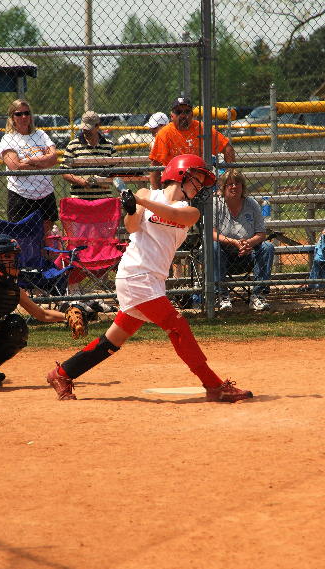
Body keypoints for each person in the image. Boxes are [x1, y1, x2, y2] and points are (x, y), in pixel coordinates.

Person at [47, 153, 253, 403]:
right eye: (197, 179)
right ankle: (214, 385)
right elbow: (132, 226)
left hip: (153, 280)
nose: (200, 186)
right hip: (136, 274)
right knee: (177, 326)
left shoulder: (190, 211)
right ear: (181, 174)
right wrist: (132, 207)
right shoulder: (147, 193)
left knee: (113, 339)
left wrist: (141, 201)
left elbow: (175, 217)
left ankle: (62, 373)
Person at [0, 234, 68, 390]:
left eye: (14, 256)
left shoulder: (13, 290)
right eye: (7, 256)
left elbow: (42, 314)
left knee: (16, 327)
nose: (14, 261)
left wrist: (67, 316)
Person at [213, 169, 274, 311]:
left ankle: (258, 296)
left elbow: (261, 234)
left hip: (248, 252)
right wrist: (233, 242)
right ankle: (222, 296)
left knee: (267, 247)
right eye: (230, 184)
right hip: (223, 254)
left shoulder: (251, 204)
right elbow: (211, 234)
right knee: (213, 247)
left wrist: (248, 243)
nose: (234, 186)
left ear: (243, 186)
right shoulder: (216, 204)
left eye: (237, 183)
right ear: (223, 187)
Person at [0, 99, 58, 237]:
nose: (24, 117)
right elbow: (15, 167)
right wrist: (43, 161)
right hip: (21, 195)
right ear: (12, 117)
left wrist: (30, 160)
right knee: (22, 237)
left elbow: (53, 159)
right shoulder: (8, 139)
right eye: (18, 114)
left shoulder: (40, 134)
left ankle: (45, 253)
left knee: (46, 236)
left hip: (45, 193)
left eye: (27, 113)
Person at [149, 97, 235, 190]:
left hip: (199, 182)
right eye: (178, 112)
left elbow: (228, 149)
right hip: (174, 182)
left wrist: (230, 177)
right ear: (172, 116)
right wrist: (156, 192)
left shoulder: (202, 129)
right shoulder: (164, 133)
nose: (183, 115)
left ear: (192, 114)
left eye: (187, 112)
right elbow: (155, 165)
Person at [61, 110, 116, 200]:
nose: (85, 131)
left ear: (97, 126)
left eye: (89, 128)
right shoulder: (73, 145)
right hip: (80, 199)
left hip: (104, 199)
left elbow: (116, 171)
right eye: (84, 128)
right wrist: (81, 181)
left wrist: (104, 181)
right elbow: (64, 171)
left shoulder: (109, 145)